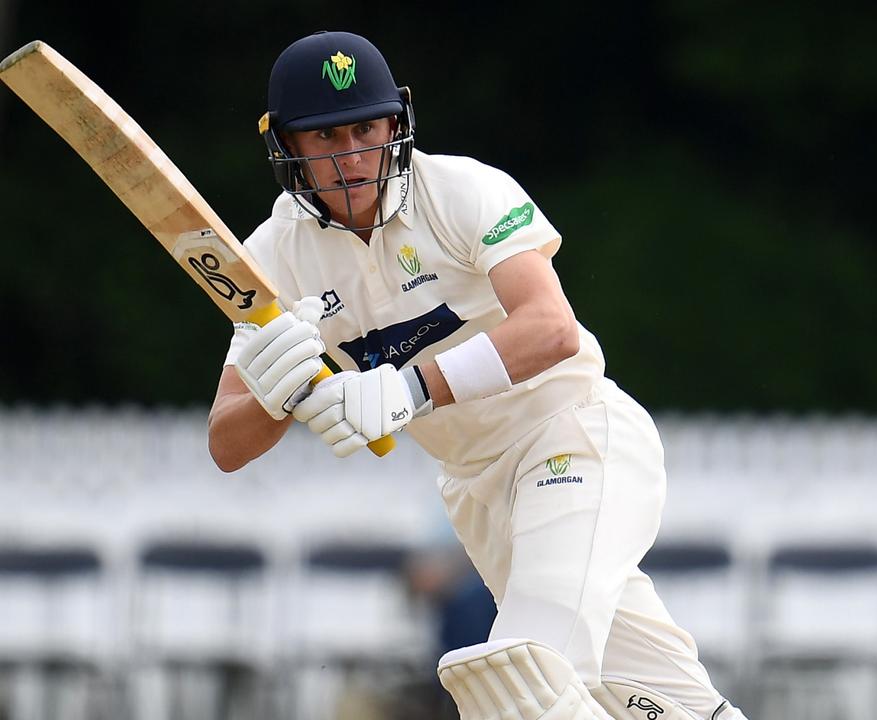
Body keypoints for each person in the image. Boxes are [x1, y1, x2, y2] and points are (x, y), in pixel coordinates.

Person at [206, 30, 747, 720]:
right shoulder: (273, 259)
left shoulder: (461, 192)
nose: (351, 158)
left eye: (366, 129)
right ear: (287, 146)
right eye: (325, 137)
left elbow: (550, 328)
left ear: (396, 124)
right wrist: (279, 391)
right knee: (668, 706)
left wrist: (407, 388)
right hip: (476, 491)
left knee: (521, 678)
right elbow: (227, 442)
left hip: (573, 437)